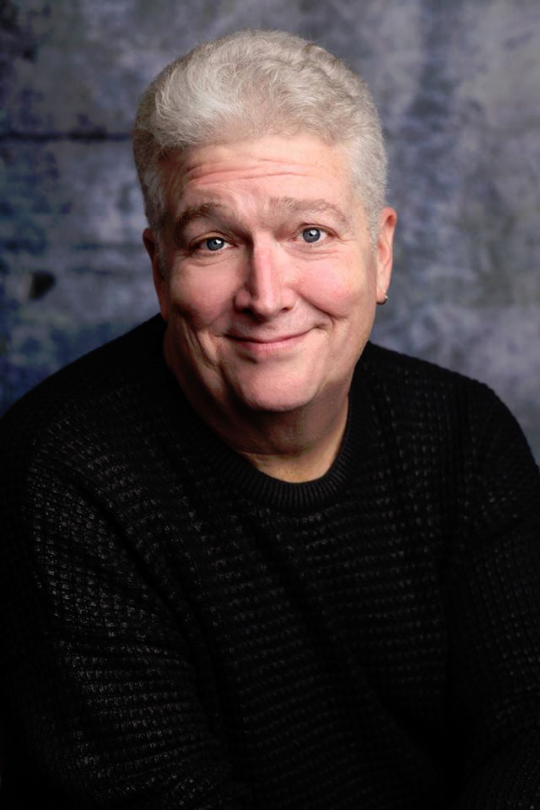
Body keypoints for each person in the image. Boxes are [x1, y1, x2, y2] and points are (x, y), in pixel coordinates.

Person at [1, 28, 539, 809]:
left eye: (310, 233)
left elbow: (527, 729)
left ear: (380, 253)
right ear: (159, 269)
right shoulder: (60, 480)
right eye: (214, 241)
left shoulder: (463, 433)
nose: (267, 294)